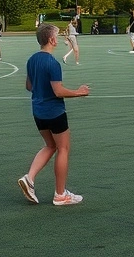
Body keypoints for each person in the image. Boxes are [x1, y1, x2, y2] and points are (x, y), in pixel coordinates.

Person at [17, 22, 89, 206]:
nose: (58, 40)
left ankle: (29, 178)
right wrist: (79, 92)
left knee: (50, 146)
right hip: (54, 112)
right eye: (56, 36)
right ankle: (60, 194)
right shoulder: (52, 63)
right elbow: (58, 91)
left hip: (38, 112)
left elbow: (29, 86)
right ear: (51, 40)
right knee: (63, 149)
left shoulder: (32, 60)